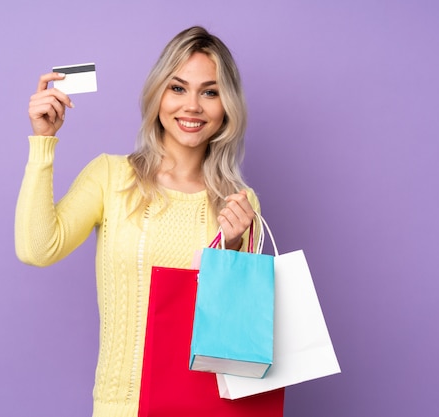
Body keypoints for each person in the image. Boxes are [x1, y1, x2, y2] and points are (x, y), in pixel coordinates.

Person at [15, 26, 261, 417]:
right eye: (178, 88)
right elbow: (36, 249)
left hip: (206, 408)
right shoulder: (111, 176)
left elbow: (238, 334)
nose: (192, 106)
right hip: (121, 407)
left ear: (227, 105)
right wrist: (43, 142)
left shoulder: (239, 203)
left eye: (210, 92)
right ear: (158, 94)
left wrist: (231, 250)